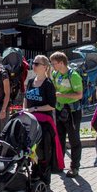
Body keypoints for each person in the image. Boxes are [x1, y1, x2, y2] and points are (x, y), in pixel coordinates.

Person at [23, 55, 59, 184]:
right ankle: (34, 172)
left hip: (44, 123)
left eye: (37, 63)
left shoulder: (48, 84)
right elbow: (26, 98)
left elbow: (51, 105)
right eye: (33, 63)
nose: (34, 65)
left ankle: (43, 176)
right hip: (31, 121)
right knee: (30, 149)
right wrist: (25, 110)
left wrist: (35, 109)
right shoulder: (31, 81)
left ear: (45, 67)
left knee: (42, 150)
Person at [51, 51, 83, 178]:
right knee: (59, 138)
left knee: (74, 139)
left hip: (72, 112)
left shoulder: (73, 76)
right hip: (59, 110)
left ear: (61, 63)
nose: (52, 65)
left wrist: (62, 95)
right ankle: (59, 164)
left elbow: (79, 95)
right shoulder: (55, 73)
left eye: (54, 63)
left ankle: (75, 167)